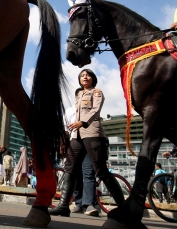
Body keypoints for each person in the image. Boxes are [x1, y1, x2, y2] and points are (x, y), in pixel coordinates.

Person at [49, 69, 124, 217]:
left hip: (92, 133)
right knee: (69, 167)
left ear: (92, 79)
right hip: (76, 136)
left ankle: (124, 208)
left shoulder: (96, 92)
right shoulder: (78, 94)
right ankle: (64, 205)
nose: (85, 77)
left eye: (87, 75)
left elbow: (96, 109)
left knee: (100, 170)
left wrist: (82, 122)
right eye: (82, 75)